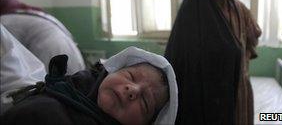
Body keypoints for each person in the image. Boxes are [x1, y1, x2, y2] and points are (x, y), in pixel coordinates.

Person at [165, 0, 261, 125]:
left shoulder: (240, 11)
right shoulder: (191, 14)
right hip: (207, 108)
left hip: (240, 99)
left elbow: (253, 41)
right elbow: (180, 68)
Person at [1, 47, 178, 125]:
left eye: (145, 103)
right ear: (111, 72)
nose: (132, 90)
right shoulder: (50, 102)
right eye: (130, 76)